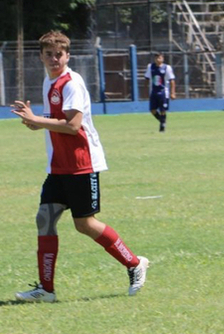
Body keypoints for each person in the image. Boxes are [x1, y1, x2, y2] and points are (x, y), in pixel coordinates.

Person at [11, 31, 149, 303]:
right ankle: (46, 290)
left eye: (59, 54)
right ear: (41, 56)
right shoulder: (49, 81)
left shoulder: (71, 83)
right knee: (44, 219)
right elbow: (55, 122)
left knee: (85, 224)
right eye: (49, 54)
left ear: (68, 56)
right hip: (58, 165)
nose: (54, 59)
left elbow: (73, 126)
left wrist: (38, 120)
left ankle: (134, 264)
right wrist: (36, 123)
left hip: (81, 164)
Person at [144, 52, 176, 132]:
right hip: (153, 92)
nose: (158, 60)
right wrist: (145, 91)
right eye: (156, 58)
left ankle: (162, 127)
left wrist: (172, 93)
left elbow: (172, 81)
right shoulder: (150, 67)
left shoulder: (167, 68)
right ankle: (162, 121)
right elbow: (147, 79)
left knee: (162, 110)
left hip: (163, 92)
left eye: (159, 58)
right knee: (152, 110)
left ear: (163, 59)